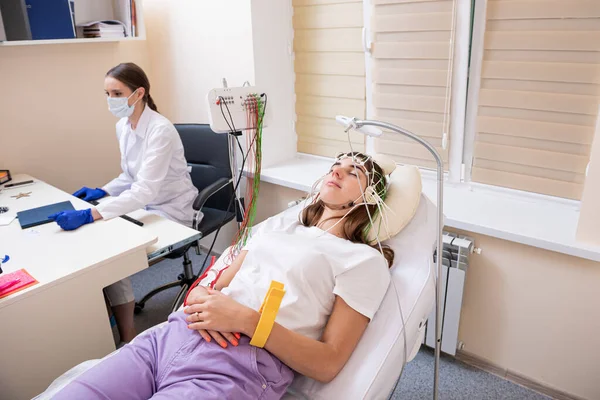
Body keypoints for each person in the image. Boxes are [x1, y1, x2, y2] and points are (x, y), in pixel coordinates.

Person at [52, 152, 394, 400]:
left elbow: (329, 363)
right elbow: (219, 283)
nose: (337, 170)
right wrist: (198, 296)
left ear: (371, 196)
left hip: (236, 364)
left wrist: (249, 321)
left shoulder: (363, 260)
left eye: (354, 172)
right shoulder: (278, 228)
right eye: (337, 164)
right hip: (169, 337)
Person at [49, 62, 198, 343]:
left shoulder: (160, 130)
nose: (110, 100)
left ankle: (128, 335)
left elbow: (144, 190)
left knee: (111, 248)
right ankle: (109, 312)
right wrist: (101, 191)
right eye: (106, 93)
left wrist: (92, 213)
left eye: (117, 93)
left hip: (171, 209)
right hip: (145, 203)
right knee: (100, 241)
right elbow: (130, 176)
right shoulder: (123, 126)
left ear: (139, 93)